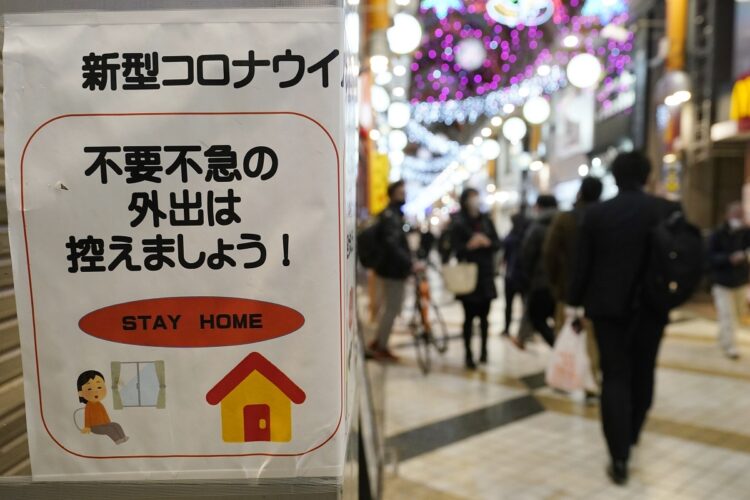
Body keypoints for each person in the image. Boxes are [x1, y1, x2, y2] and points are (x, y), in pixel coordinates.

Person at [568, 151, 679, 486]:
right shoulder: (664, 211)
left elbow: (581, 265)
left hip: (607, 309)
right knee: (644, 372)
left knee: (614, 377)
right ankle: (631, 435)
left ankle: (618, 457)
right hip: (652, 308)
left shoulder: (598, 215)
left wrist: (575, 304)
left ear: (614, 177)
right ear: (647, 176)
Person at [543, 177, 603, 394]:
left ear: (580, 193)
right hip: (598, 292)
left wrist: (556, 284)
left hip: (567, 290)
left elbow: (549, 254)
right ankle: (591, 382)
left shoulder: (565, 219)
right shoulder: (604, 219)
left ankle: (565, 378)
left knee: (566, 332)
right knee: (593, 339)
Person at [370, 180, 423, 361]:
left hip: (392, 269)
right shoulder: (391, 216)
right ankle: (381, 346)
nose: (403, 196)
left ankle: (379, 342)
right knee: (391, 309)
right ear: (392, 194)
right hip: (392, 271)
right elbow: (392, 244)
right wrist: (410, 263)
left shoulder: (394, 215)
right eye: (400, 193)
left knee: (389, 308)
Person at [449, 188, 502, 369]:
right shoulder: (458, 222)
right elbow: (454, 249)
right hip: (468, 274)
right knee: (469, 318)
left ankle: (484, 351)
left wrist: (487, 242)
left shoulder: (486, 220)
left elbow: (497, 243)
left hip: (486, 274)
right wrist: (470, 245)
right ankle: (469, 354)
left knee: (485, 318)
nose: (475, 201)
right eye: (472, 197)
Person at [708, 201, 750, 360]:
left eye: (741, 214)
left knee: (738, 315)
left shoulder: (746, 233)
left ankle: (723, 337)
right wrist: (728, 259)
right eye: (736, 214)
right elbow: (709, 256)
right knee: (727, 315)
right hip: (721, 282)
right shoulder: (717, 233)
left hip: (740, 281)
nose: (738, 217)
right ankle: (730, 345)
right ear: (728, 215)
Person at [516, 194, 558, 348]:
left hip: (541, 282)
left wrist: (527, 278)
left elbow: (526, 256)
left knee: (536, 316)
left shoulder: (537, 227)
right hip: (563, 283)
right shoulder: (565, 223)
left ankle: (558, 346)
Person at [77, 370, 129, 444]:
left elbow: (104, 414)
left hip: (103, 424)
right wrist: (87, 427)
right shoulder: (89, 406)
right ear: (81, 393)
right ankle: (117, 440)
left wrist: (108, 423)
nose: (96, 391)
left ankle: (123, 437)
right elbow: (87, 417)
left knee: (115, 425)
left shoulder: (99, 404)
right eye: (89, 389)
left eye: (99, 387)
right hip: (94, 427)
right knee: (109, 429)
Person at [501, 213, 529, 336]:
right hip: (520, 275)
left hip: (513, 275)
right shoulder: (526, 235)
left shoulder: (512, 236)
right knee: (522, 305)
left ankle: (509, 329)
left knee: (510, 304)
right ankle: (522, 332)